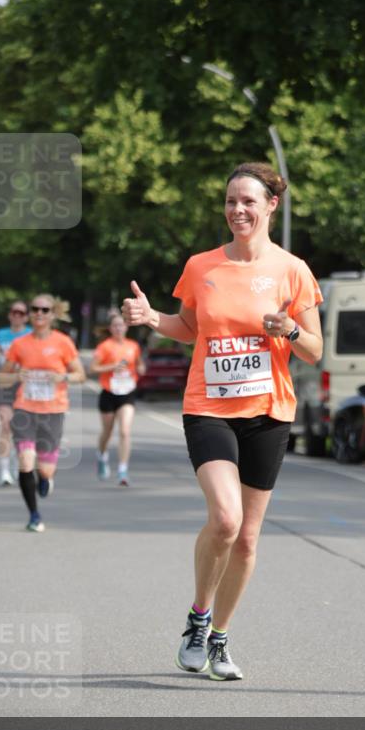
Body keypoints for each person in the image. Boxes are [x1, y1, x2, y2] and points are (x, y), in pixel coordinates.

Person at [123, 161, 323, 681]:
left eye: (248, 201)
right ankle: (198, 618)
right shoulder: (201, 266)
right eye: (231, 201)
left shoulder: (293, 270)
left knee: (248, 538)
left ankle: (219, 638)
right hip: (209, 407)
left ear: (271, 205)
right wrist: (151, 319)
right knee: (227, 520)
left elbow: (314, 350)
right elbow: (189, 327)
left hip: (269, 413)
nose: (238, 210)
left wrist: (289, 330)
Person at [0, 294, 85, 532]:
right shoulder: (20, 344)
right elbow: (2, 378)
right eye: (35, 309)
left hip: (53, 411)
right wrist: (17, 376)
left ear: (52, 314)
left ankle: (45, 478)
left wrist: (62, 377)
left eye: (44, 310)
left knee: (45, 470)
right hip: (24, 408)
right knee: (26, 462)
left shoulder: (63, 342)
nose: (39, 313)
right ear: (30, 313)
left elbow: (80, 375)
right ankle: (34, 515)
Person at [89, 313, 145, 486]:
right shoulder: (105, 346)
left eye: (121, 325)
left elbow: (139, 364)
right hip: (109, 392)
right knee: (107, 431)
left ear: (126, 327)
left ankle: (123, 470)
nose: (119, 328)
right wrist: (112, 367)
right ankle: (102, 455)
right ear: (111, 328)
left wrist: (141, 368)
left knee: (125, 431)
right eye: (115, 325)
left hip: (127, 392)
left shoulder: (133, 346)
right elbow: (92, 368)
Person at [0, 301, 32, 486]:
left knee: (22, 428)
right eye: (14, 312)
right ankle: (4, 471)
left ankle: (17, 460)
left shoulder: (31, 334)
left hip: (25, 385)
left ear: (26, 316)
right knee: (6, 425)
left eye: (21, 313)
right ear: (9, 315)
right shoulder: (0, 334)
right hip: (5, 383)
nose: (17, 315)